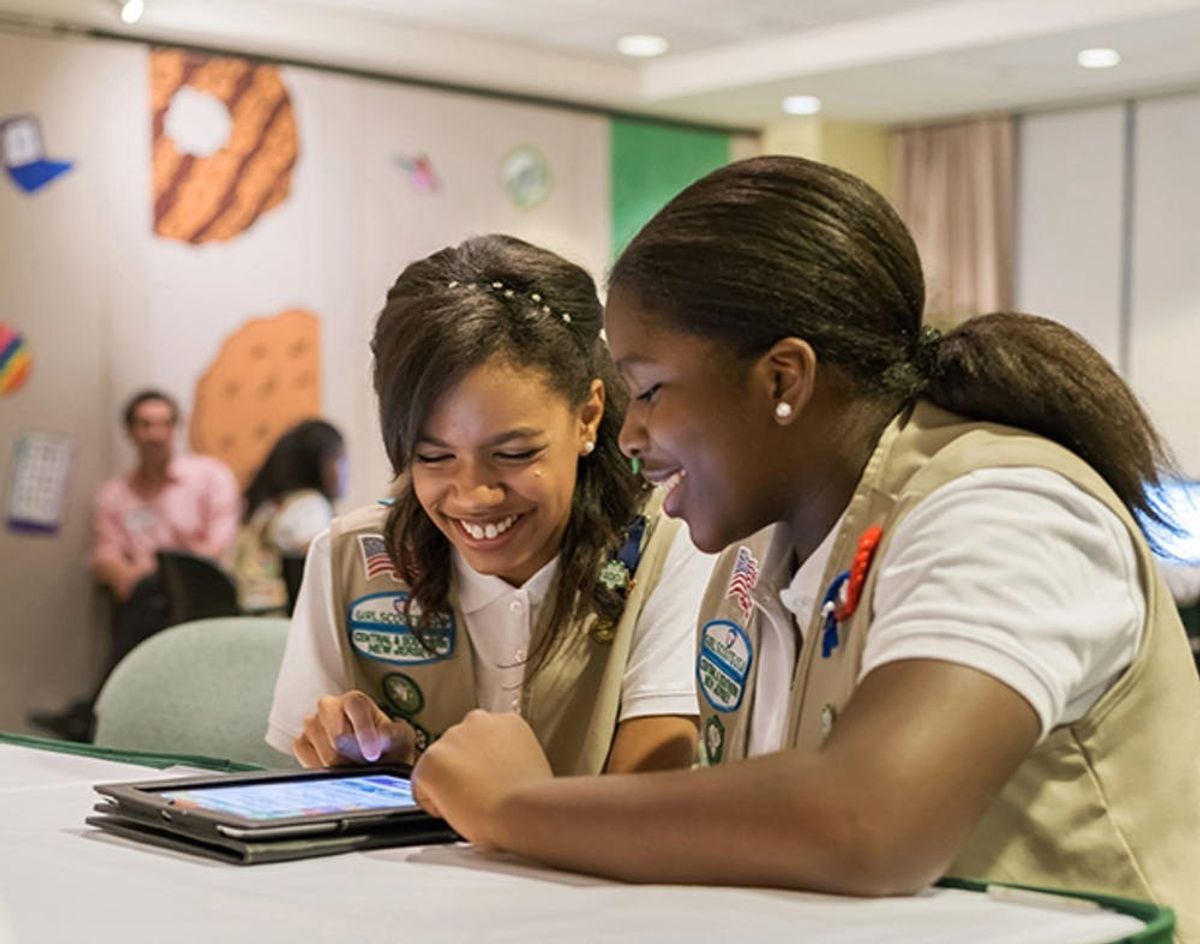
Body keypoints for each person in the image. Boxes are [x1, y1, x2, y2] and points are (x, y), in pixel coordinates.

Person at [408, 156, 1200, 939]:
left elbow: (871, 821)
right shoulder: (763, 555)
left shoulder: (1003, 510)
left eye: (648, 390)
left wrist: (514, 807)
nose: (630, 434)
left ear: (784, 379)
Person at [267, 234, 713, 776]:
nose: (474, 495)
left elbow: (644, 802)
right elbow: (304, 796)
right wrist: (360, 757)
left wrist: (454, 784)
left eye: (513, 453)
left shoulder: (670, 545)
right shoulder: (352, 558)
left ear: (587, 416)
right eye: (432, 457)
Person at [29, 389, 242, 741]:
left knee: (150, 589)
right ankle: (106, 711)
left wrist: (150, 570)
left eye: (163, 424)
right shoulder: (116, 494)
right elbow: (104, 556)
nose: (155, 434)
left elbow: (216, 548)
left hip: (203, 593)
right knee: (147, 594)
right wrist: (129, 573)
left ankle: (94, 709)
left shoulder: (209, 478)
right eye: (145, 425)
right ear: (130, 431)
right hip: (144, 597)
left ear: (175, 427)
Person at [233, 419, 346, 612]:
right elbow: (318, 563)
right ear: (324, 463)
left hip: (250, 609)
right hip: (285, 617)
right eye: (341, 459)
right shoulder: (310, 507)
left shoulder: (269, 505)